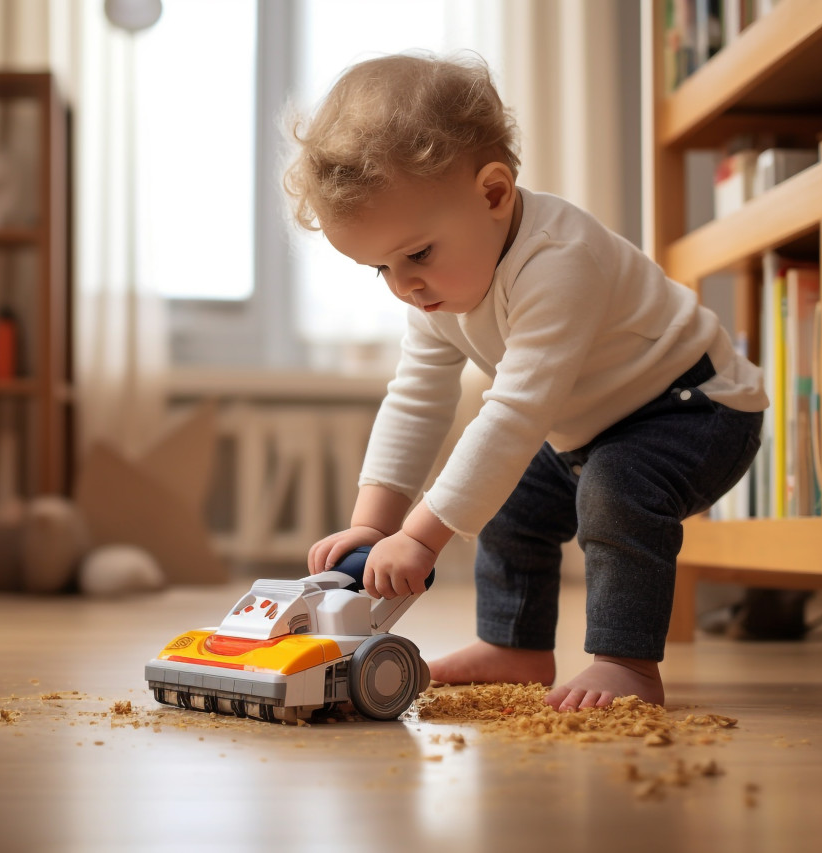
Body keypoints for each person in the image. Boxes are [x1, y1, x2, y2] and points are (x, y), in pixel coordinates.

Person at [285, 52, 766, 712]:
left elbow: (513, 414)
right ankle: (515, 643)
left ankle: (625, 661)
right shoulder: (439, 297)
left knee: (615, 485)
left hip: (697, 406)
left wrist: (422, 537)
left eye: (418, 254)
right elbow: (416, 398)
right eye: (381, 269)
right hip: (592, 423)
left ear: (492, 193)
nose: (404, 285)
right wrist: (374, 523)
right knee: (512, 504)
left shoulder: (559, 261)